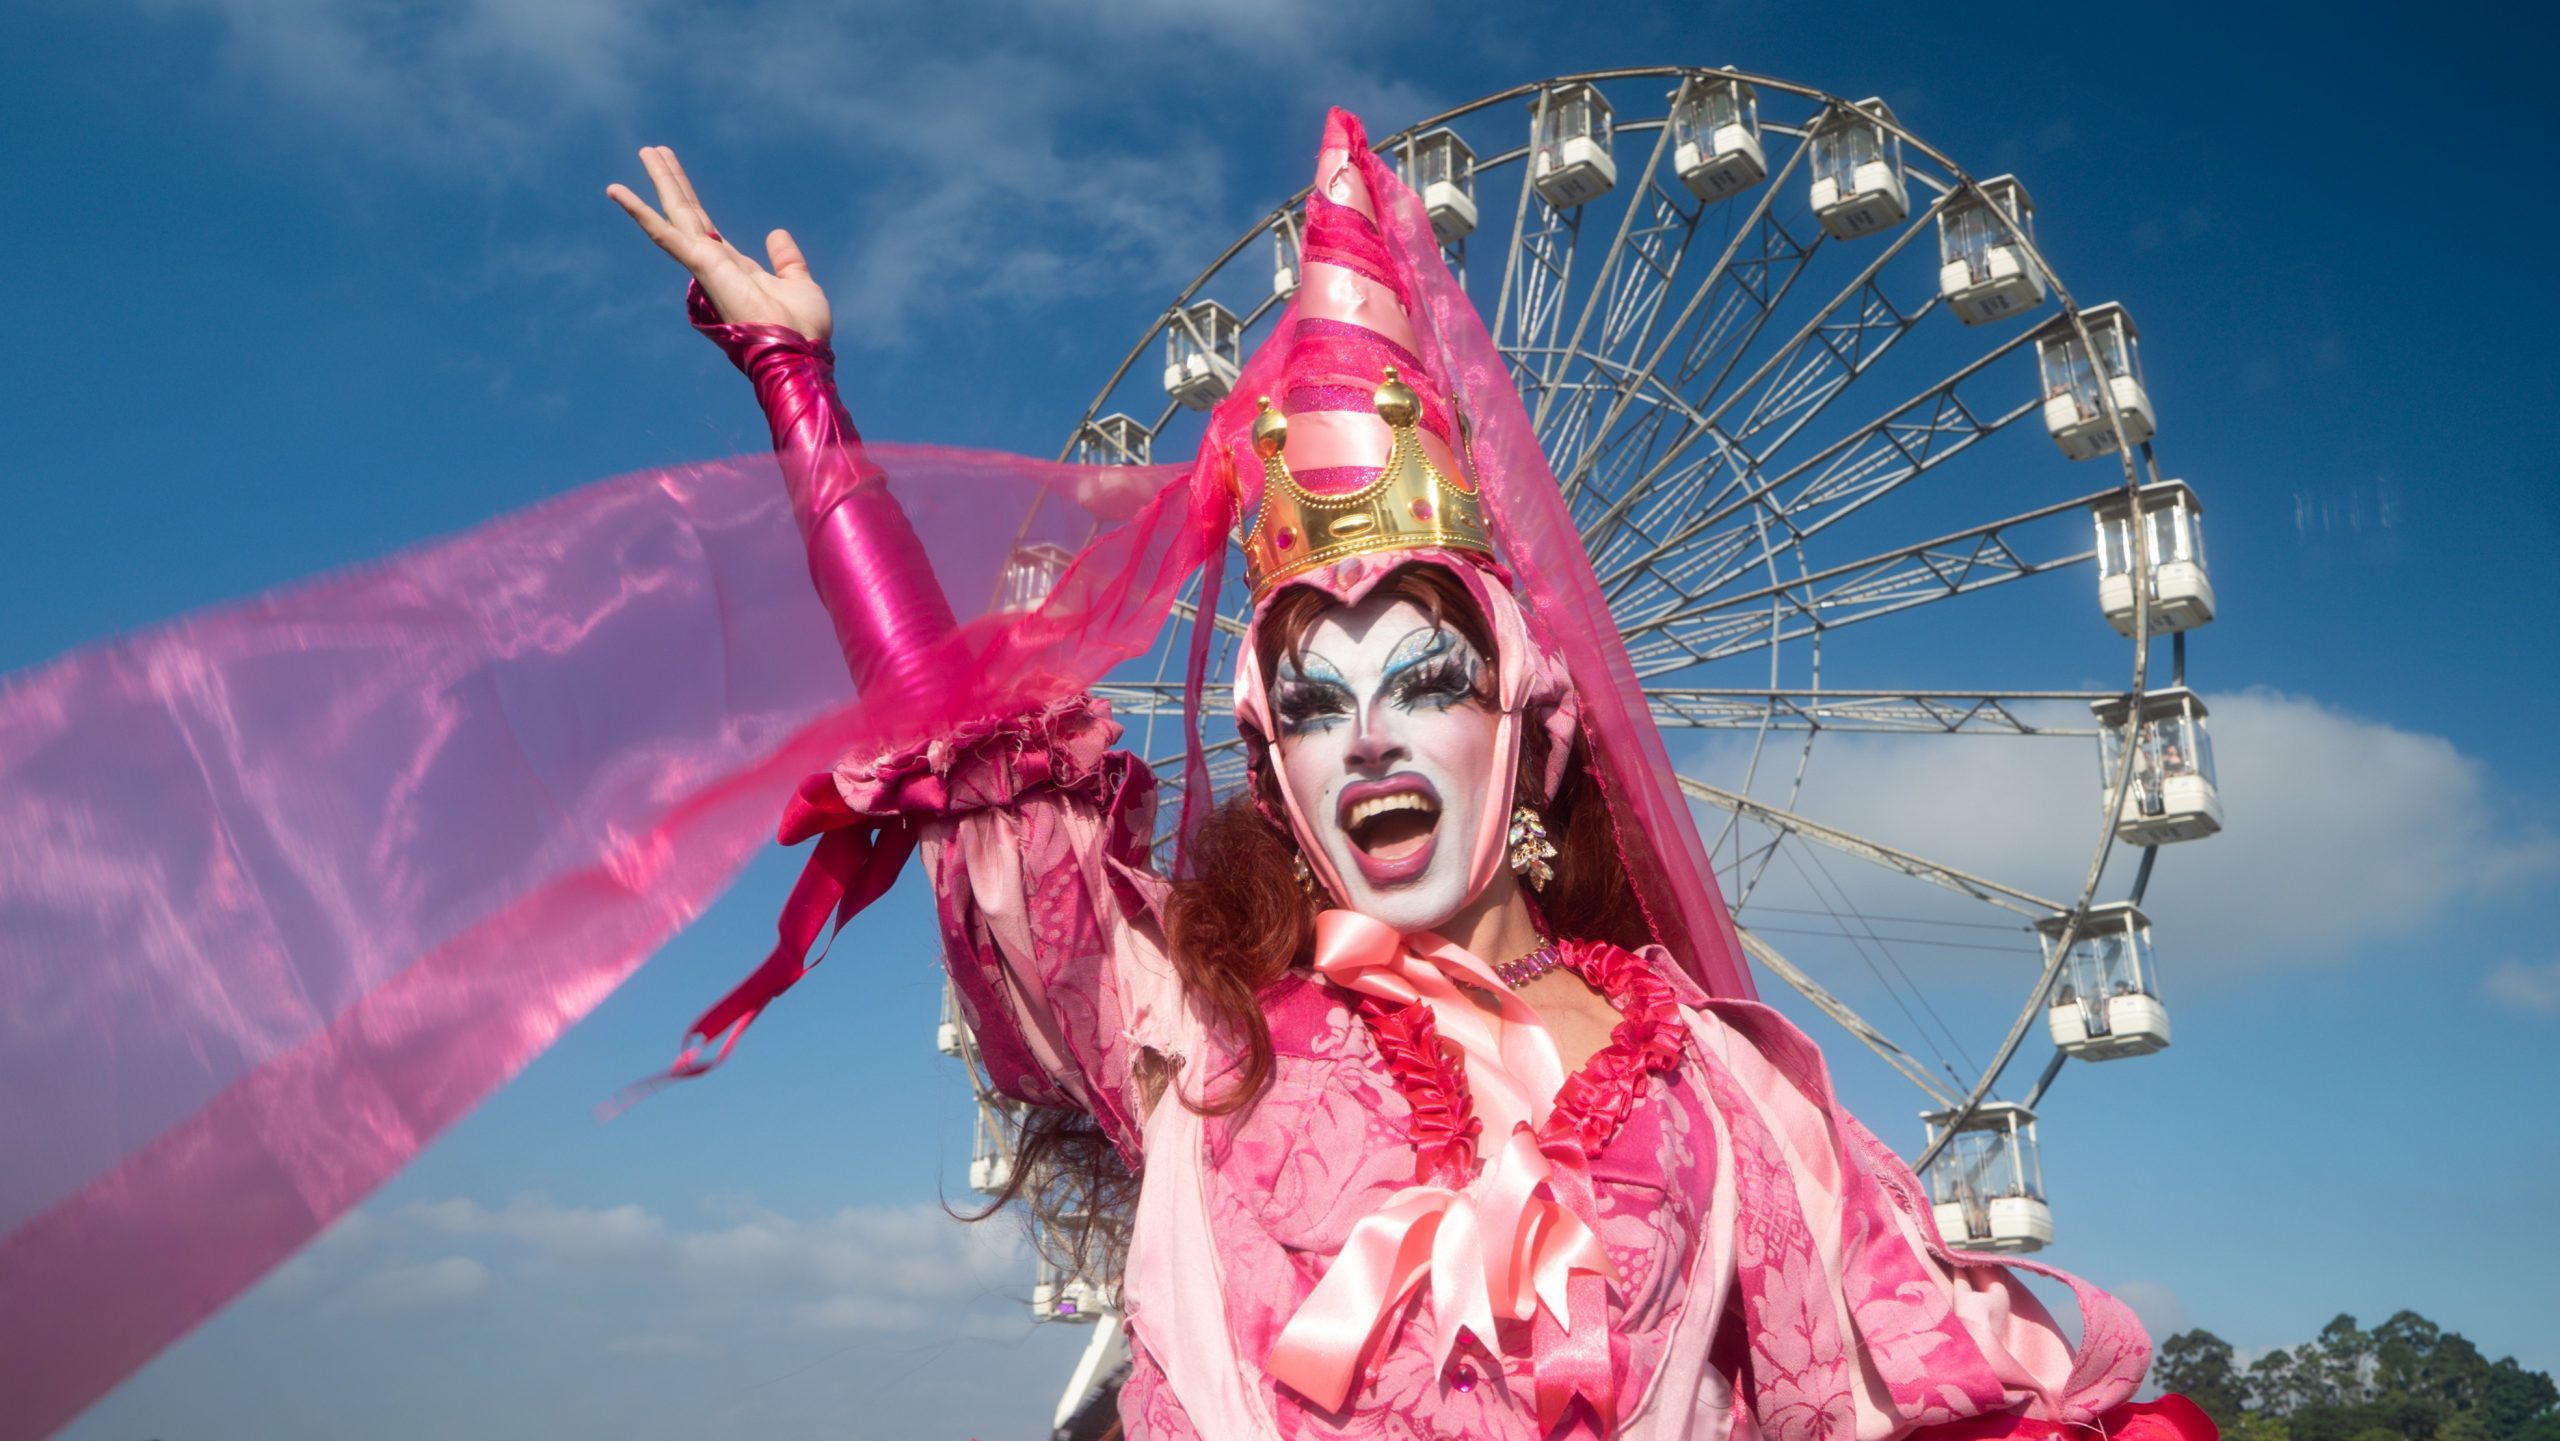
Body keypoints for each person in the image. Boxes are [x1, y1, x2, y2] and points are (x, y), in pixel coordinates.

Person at [607, 112, 2212, 1441]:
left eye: (1428, 680)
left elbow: (1878, 1395)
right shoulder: (1200, 1041)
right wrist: (797, 387)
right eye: (1313, 705)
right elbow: (965, 757)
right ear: (1276, 770)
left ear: (1531, 721)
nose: (1368, 734)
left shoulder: (1725, 1092)